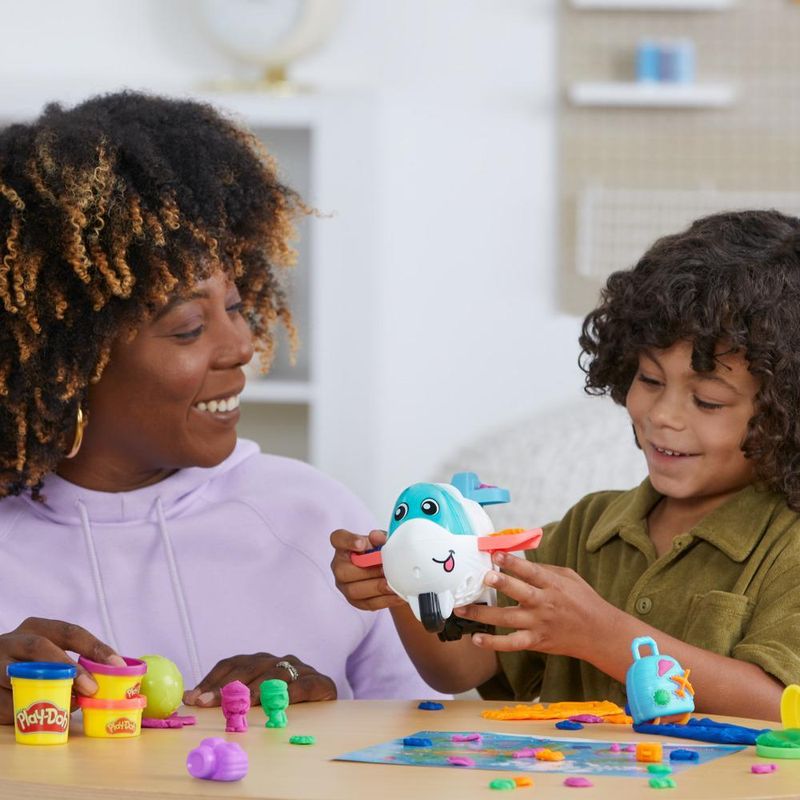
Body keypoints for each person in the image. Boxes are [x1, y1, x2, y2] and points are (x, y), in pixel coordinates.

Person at [0, 91, 440, 725]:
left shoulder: (318, 519)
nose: (241, 346)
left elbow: (428, 743)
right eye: (188, 328)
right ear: (66, 362)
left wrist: (323, 710)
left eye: (235, 307)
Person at [332, 209, 800, 721]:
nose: (663, 416)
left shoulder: (788, 545)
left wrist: (604, 636)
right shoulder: (588, 529)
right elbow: (462, 669)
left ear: (786, 411)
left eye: (708, 401)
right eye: (649, 379)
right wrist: (409, 583)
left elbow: (780, 705)